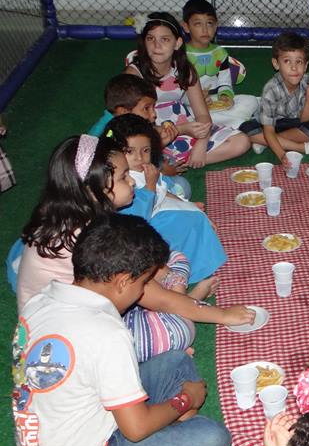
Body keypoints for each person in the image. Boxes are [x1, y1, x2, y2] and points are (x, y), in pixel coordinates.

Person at [13, 213, 235, 446]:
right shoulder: (106, 332)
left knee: (177, 361)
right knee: (211, 437)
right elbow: (136, 429)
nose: (143, 292)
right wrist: (185, 400)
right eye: (143, 283)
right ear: (122, 281)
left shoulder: (40, 301)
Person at [9, 135, 251, 335]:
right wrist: (221, 314)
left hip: (84, 305)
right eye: (124, 177)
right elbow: (152, 295)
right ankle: (181, 310)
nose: (133, 182)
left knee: (168, 258)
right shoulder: (93, 237)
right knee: (177, 332)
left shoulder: (73, 215)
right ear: (93, 190)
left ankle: (182, 303)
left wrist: (167, 279)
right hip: (66, 334)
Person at [108, 113, 226, 285]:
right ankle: (181, 267)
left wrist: (188, 205)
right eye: (129, 151)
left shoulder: (144, 169)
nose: (139, 158)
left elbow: (162, 189)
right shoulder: (119, 178)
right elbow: (136, 218)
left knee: (194, 213)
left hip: (156, 208)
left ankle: (199, 254)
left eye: (145, 151)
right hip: (139, 228)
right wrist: (150, 185)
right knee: (188, 222)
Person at [124, 11, 251, 168]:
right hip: (151, 131)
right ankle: (168, 162)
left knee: (242, 142)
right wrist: (181, 130)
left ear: (177, 43)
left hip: (184, 122)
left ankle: (176, 161)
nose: (157, 45)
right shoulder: (134, 74)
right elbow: (133, 125)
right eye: (151, 39)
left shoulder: (185, 69)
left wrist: (201, 142)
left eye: (165, 39)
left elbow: (202, 114)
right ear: (144, 42)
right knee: (137, 150)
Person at [238, 31, 309, 166]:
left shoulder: (308, 81)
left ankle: (264, 142)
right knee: (246, 128)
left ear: (306, 65)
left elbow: (306, 120)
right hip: (271, 125)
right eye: (287, 61)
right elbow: (269, 130)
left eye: (299, 61)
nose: (294, 67)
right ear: (276, 64)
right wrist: (282, 155)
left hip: (294, 125)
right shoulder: (271, 89)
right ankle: (303, 147)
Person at [88, 73, 190, 196]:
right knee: (182, 185)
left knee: (171, 162)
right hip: (126, 175)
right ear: (123, 112)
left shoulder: (125, 121)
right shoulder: (105, 135)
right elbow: (132, 160)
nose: (154, 114)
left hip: (137, 162)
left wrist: (158, 143)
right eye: (146, 108)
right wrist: (162, 168)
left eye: (153, 107)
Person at [181, 0, 259, 129]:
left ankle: (227, 123)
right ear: (186, 27)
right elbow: (177, 91)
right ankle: (238, 124)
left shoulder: (220, 52)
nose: (205, 29)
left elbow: (225, 81)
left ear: (216, 25)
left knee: (251, 101)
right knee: (186, 113)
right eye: (198, 24)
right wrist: (195, 99)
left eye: (209, 23)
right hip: (191, 105)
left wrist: (225, 96)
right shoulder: (181, 54)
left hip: (215, 101)